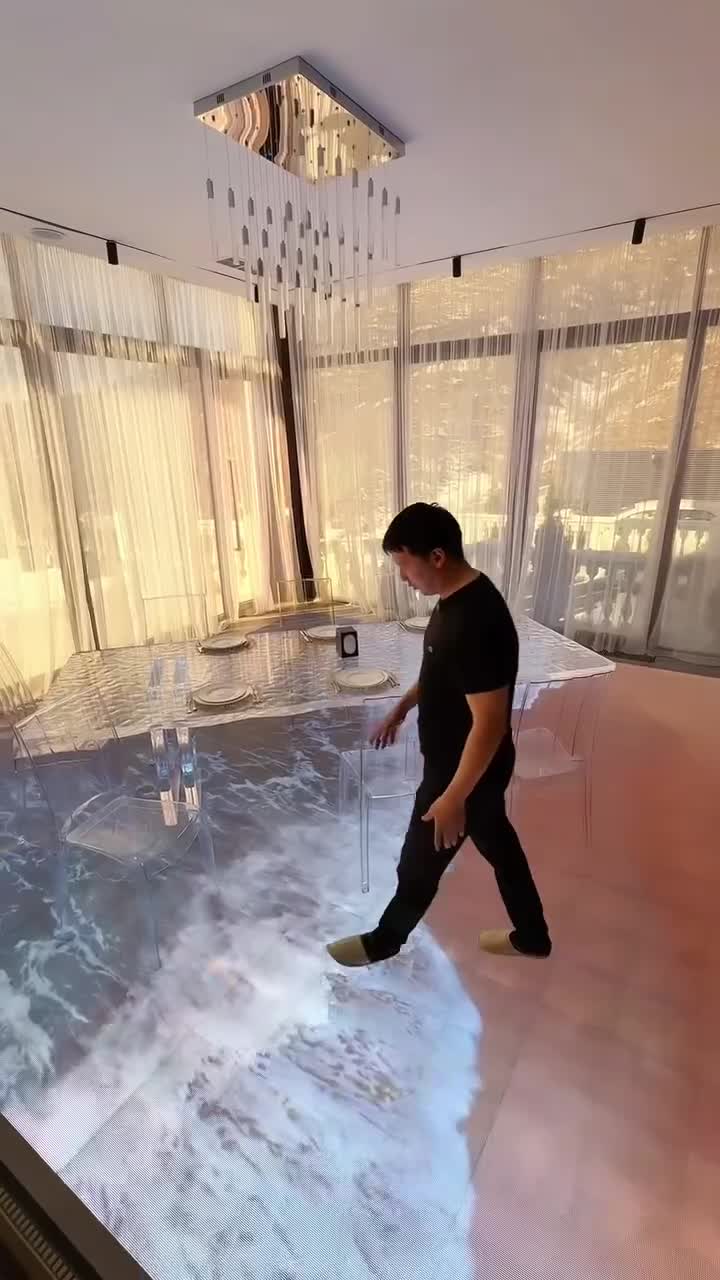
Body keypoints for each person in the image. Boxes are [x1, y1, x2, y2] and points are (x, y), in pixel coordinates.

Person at [327, 502, 551, 968]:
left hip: (463, 770)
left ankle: (385, 941)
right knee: (500, 847)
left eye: (405, 565)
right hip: (466, 767)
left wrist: (452, 797)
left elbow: (489, 723)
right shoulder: (455, 601)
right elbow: (439, 672)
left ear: (436, 557)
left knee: (419, 862)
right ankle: (532, 935)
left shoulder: (476, 620)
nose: (403, 578)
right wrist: (402, 708)